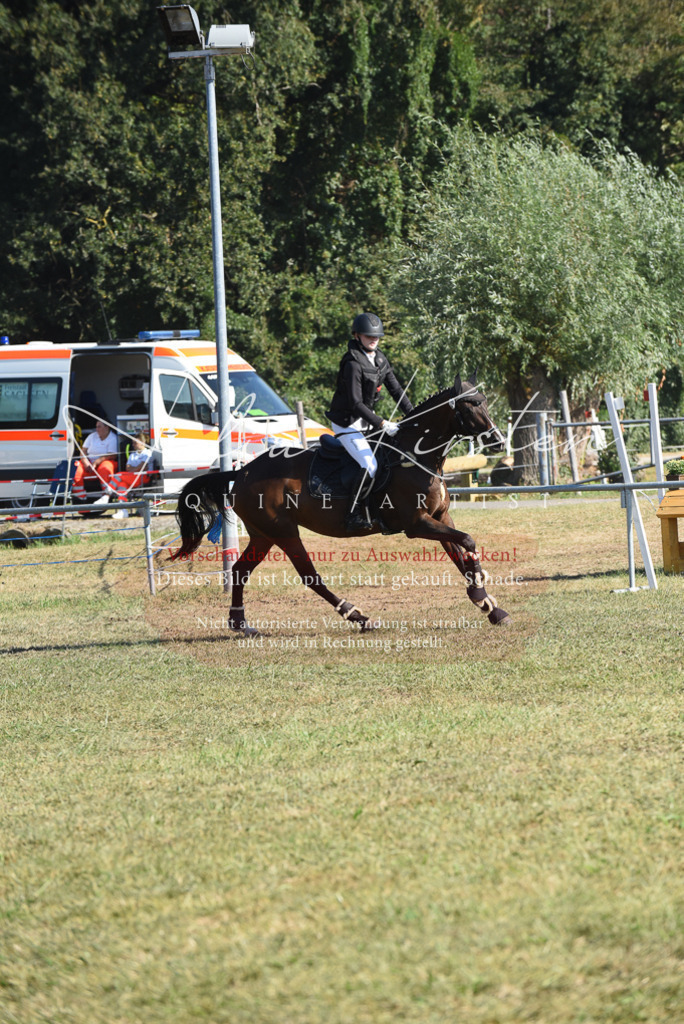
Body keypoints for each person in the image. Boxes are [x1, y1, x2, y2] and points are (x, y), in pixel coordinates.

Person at [327, 312, 413, 530]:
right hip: (347, 423)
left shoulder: (380, 359)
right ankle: (351, 515)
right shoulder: (352, 363)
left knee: (388, 459)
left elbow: (396, 390)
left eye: (376, 336)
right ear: (357, 336)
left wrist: (413, 414)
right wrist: (382, 424)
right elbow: (356, 403)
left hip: (365, 423)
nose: (373, 339)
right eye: (368, 336)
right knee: (370, 465)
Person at [108, 432, 158, 519]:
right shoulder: (132, 454)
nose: (133, 445)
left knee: (119, 475)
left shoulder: (148, 453)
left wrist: (134, 469)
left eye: (135, 442)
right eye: (133, 443)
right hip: (132, 477)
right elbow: (128, 468)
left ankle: (107, 494)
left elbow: (142, 467)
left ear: (142, 442)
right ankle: (122, 509)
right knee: (121, 485)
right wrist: (136, 469)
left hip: (143, 478)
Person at [72, 419, 118, 503]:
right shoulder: (92, 436)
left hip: (103, 463)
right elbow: (83, 451)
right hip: (89, 464)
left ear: (106, 427)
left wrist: (97, 461)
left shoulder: (112, 438)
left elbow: (113, 455)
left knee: (105, 467)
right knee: (76, 467)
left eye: (99, 427)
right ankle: (79, 497)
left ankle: (106, 495)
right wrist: (85, 462)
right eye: (96, 427)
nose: (97, 429)